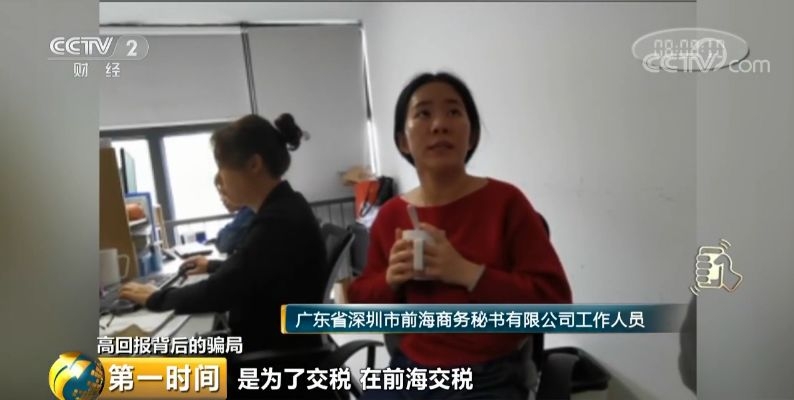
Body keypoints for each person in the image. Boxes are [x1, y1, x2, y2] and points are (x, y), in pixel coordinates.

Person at [347, 72, 573, 399]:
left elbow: (555, 304)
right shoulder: (392, 215)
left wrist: (469, 273)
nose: (440, 124)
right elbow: (362, 303)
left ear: (472, 135)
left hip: (488, 375)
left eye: (453, 111)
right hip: (409, 372)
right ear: (403, 141)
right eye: (423, 113)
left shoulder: (506, 203)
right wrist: (390, 280)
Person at [119, 113, 327, 354]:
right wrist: (212, 266)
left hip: (267, 357)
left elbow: (219, 292)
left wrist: (156, 298)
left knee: (148, 357)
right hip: (270, 343)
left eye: (222, 167)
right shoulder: (286, 206)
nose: (220, 178)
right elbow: (253, 268)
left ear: (254, 165)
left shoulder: (278, 220)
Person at [213, 172, 255, 254]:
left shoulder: (249, 211)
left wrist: (221, 234)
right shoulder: (244, 212)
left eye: (224, 192)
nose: (222, 199)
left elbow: (225, 243)